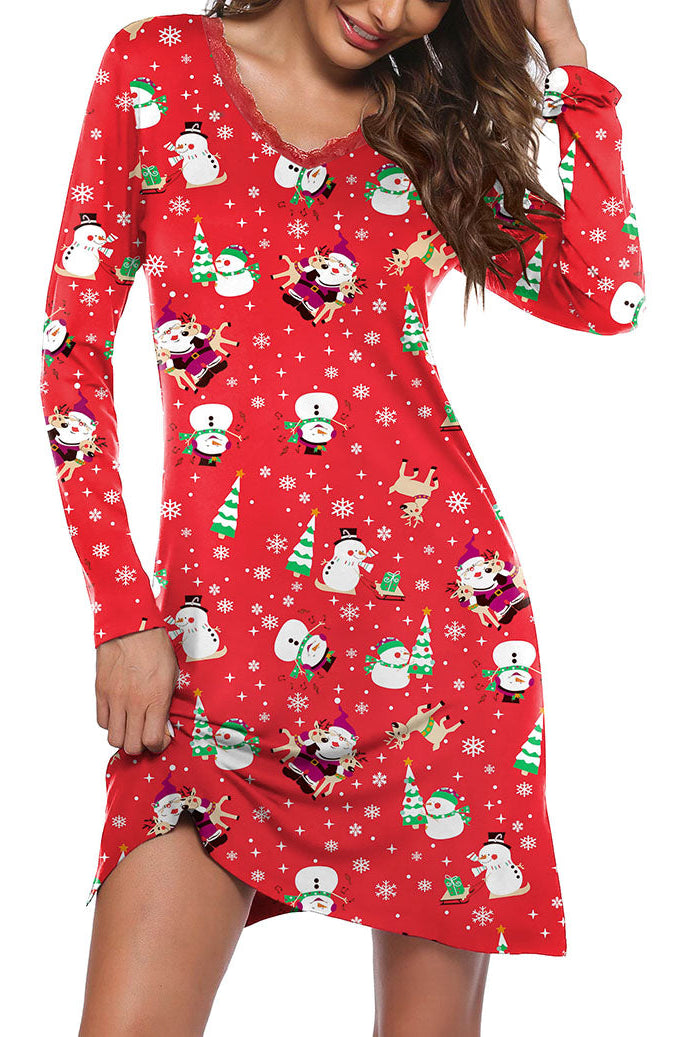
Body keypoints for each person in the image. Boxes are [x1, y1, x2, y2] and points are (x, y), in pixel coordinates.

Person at [39, 1, 645, 1034]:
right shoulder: (156, 67)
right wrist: (123, 610)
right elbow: (72, 356)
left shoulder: (431, 122)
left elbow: (605, 290)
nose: (393, 9)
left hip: (440, 652)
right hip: (211, 657)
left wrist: (569, 59)